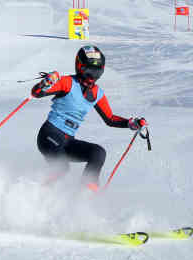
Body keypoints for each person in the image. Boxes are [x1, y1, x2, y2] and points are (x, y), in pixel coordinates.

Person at [31, 45, 146, 192]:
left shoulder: (97, 93)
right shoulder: (66, 82)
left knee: (98, 153)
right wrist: (45, 83)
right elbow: (36, 93)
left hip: (67, 140)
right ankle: (32, 190)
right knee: (62, 168)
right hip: (49, 135)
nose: (93, 76)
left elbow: (110, 118)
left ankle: (86, 193)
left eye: (97, 72)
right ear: (80, 67)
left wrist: (130, 123)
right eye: (89, 71)